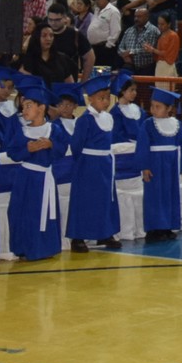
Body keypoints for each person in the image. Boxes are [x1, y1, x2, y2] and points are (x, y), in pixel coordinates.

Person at [66, 73, 125, 253]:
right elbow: (76, 145)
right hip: (88, 165)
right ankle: (78, 237)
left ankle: (104, 232)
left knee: (105, 199)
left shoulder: (108, 118)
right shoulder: (85, 120)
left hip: (105, 164)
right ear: (90, 99)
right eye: (101, 98)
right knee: (85, 200)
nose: (105, 102)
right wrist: (85, 163)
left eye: (107, 98)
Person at [3, 85, 61, 261]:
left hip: (44, 178)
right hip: (25, 177)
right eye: (23, 106)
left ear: (41, 108)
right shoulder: (22, 131)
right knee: (22, 213)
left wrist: (51, 145)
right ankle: (23, 247)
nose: (24, 110)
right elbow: (13, 152)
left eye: (28, 106)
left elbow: (62, 149)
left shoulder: (54, 130)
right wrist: (27, 148)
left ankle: (44, 247)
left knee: (42, 212)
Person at [139, 87, 182, 242]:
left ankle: (168, 226)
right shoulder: (148, 125)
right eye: (152, 106)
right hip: (155, 165)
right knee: (154, 196)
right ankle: (153, 228)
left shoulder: (177, 125)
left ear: (169, 108)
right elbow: (142, 146)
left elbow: (181, 146)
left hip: (170, 165)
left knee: (170, 194)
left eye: (157, 106)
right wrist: (144, 167)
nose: (153, 110)